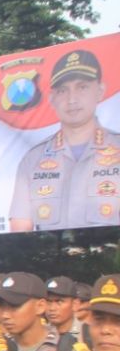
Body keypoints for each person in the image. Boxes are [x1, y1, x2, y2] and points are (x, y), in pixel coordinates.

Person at [10, 49, 120, 232]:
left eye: (82, 87)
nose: (72, 99)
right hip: (51, 259)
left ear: (100, 91)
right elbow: (20, 230)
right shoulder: (33, 160)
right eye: (63, 90)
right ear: (52, 99)